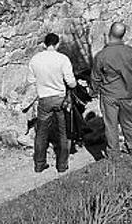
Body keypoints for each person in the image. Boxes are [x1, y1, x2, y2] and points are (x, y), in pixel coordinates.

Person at [90, 22, 132, 157]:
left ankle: (114, 153)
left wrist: (93, 91)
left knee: (111, 124)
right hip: (127, 93)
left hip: (109, 94)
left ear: (109, 34)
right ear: (123, 35)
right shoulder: (130, 51)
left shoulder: (102, 55)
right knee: (129, 122)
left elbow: (96, 77)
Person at [27, 33, 77, 173]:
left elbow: (31, 81)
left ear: (44, 44)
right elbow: (71, 83)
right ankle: (62, 165)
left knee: (42, 133)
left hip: (44, 99)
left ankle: (39, 164)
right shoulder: (63, 59)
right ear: (57, 44)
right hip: (60, 99)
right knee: (63, 132)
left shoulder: (35, 60)